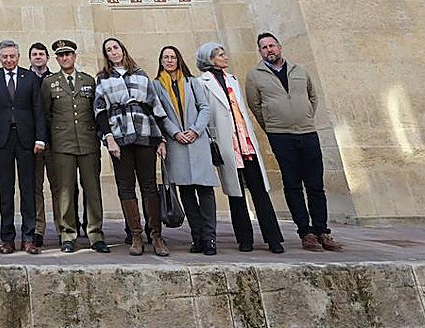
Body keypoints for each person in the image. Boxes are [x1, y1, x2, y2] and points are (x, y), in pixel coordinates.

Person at [246, 32, 342, 252]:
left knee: (315, 185)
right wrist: (272, 124)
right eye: (264, 47)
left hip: (307, 132)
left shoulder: (299, 71)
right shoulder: (255, 75)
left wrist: (305, 117)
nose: (269, 50)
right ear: (260, 52)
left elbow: (312, 97)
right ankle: (305, 232)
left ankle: (322, 230)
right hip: (280, 135)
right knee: (292, 184)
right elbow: (255, 105)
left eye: (272, 46)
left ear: (279, 47)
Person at [196, 42, 285, 253]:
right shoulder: (202, 83)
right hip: (226, 143)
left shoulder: (233, 79)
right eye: (220, 55)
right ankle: (245, 239)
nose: (225, 57)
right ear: (210, 59)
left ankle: (273, 238)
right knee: (236, 194)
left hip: (245, 141)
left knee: (259, 191)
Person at [93, 36, 170, 257]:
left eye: (116, 48)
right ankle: (136, 235)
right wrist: (108, 138)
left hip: (145, 133)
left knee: (149, 185)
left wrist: (161, 139)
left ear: (123, 50)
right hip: (119, 136)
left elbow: (155, 106)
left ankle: (156, 235)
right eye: (109, 50)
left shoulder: (140, 75)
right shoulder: (103, 79)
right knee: (126, 186)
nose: (113, 52)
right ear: (106, 55)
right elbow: (100, 111)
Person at [39, 39, 108, 253]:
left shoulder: (88, 80)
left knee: (92, 189)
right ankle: (67, 234)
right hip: (62, 144)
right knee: (65, 191)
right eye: (60, 55)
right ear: (57, 59)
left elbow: (96, 110)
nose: (65, 58)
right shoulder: (50, 83)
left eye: (68, 54)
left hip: (88, 142)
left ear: (74, 56)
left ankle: (95, 234)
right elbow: (46, 114)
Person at [154, 45, 220, 255]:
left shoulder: (192, 82)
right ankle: (197, 236)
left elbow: (205, 107)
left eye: (173, 57)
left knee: (205, 191)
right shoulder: (157, 85)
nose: (169, 60)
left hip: (197, 141)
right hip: (177, 143)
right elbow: (160, 113)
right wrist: (175, 133)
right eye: (165, 57)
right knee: (187, 193)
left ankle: (210, 238)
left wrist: (195, 130)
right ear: (161, 61)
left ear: (179, 59)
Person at [0, 39, 47, 255]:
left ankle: (28, 237)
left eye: (12, 56)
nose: (9, 60)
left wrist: (40, 139)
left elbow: (38, 109)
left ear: (18, 57)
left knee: (28, 189)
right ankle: (7, 239)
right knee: (6, 190)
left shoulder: (29, 77)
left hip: (26, 140)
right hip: (2, 140)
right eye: (5, 57)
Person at [27, 41, 58, 249]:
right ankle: (38, 229)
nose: (38, 57)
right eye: (34, 54)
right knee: (34, 188)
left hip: (54, 141)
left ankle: (63, 228)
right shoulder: (24, 79)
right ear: (30, 58)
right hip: (31, 143)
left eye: (41, 54)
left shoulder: (55, 80)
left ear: (47, 57)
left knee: (59, 186)